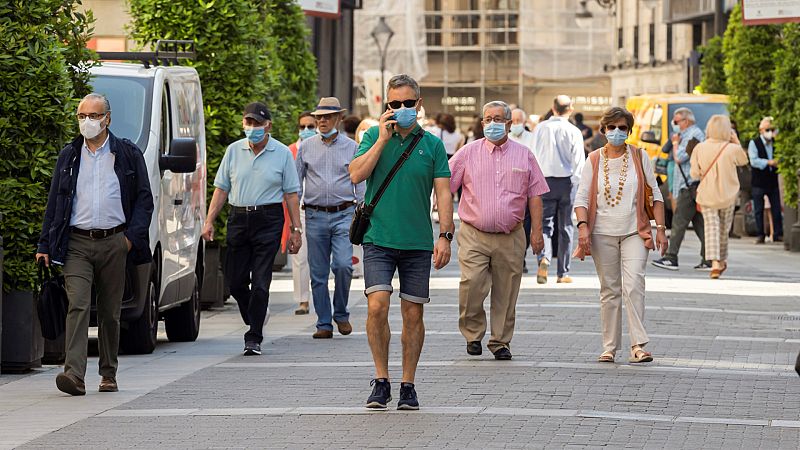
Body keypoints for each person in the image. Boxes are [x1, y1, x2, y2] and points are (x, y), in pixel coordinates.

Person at [36, 93, 154, 395]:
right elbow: (55, 203)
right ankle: (74, 374)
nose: (88, 121)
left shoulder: (126, 154)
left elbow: (144, 200)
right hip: (76, 242)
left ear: (108, 119)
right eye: (82, 116)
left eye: (94, 115)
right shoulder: (69, 156)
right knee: (77, 304)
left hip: (115, 241)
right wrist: (45, 244)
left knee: (110, 312)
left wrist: (129, 240)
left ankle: (108, 373)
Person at [349, 74, 454, 410]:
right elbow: (355, 174)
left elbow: (443, 193)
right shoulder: (371, 137)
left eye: (409, 103)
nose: (403, 109)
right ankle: (382, 379)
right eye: (396, 104)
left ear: (419, 104)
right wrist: (381, 139)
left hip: (417, 242)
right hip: (378, 238)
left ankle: (408, 383)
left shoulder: (433, 145)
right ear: (387, 106)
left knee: (412, 314)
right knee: (377, 306)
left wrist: (446, 236)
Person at [449, 101, 548, 360]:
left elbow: (536, 195)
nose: (493, 123)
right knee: (471, 284)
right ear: (482, 124)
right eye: (488, 119)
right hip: (474, 233)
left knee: (507, 290)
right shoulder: (467, 153)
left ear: (509, 123)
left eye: (498, 119)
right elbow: (444, 187)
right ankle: (472, 333)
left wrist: (537, 232)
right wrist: (444, 226)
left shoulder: (524, 155)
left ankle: (500, 341)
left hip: (511, 234)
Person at [202, 102, 302, 356]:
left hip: (268, 218)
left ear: (268, 125)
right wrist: (209, 220)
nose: (253, 128)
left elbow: (291, 194)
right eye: (249, 123)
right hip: (238, 217)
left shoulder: (281, 153)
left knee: (260, 281)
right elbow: (221, 188)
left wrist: (296, 230)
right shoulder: (233, 151)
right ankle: (255, 313)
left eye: (257, 123)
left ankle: (253, 336)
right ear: (243, 124)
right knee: (235, 282)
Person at [574, 106, 668, 364]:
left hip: (635, 232)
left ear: (629, 130)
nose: (617, 132)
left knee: (634, 284)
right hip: (602, 232)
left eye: (622, 128)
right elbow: (581, 198)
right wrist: (583, 226)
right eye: (612, 127)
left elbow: (655, 194)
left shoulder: (640, 156)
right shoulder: (593, 159)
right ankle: (609, 347)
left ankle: (638, 345)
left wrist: (660, 229)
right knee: (610, 289)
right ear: (603, 130)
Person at [297, 97, 364, 339]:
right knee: (318, 272)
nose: (322, 121)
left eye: (327, 117)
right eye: (318, 117)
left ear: (339, 119)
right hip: (314, 215)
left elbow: (360, 181)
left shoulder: (352, 148)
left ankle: (341, 313)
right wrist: (294, 220)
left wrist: (364, 210)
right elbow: (296, 184)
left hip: (344, 213)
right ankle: (323, 322)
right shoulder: (305, 147)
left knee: (344, 265)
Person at [529, 95, 585, 284]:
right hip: (567, 182)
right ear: (570, 110)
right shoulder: (573, 131)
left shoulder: (540, 128)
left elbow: (532, 154)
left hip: (544, 181)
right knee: (566, 226)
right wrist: (577, 183)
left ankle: (543, 257)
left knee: (545, 225)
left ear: (553, 109)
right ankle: (563, 272)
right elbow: (579, 160)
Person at [651, 107, 710, 271]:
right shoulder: (684, 135)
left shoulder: (695, 135)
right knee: (699, 224)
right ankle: (709, 258)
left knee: (679, 222)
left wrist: (676, 143)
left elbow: (680, 158)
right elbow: (666, 151)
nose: (674, 124)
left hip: (689, 185)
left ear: (687, 120)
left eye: (676, 121)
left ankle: (671, 257)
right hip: (685, 186)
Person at [692, 115, 749, 279]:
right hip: (728, 194)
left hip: (707, 194)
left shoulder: (699, 148)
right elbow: (744, 161)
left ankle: (715, 263)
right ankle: (721, 260)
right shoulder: (732, 149)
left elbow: (694, 174)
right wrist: (736, 141)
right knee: (724, 229)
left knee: (711, 227)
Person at [287, 112, 315, 315]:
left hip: (321, 208)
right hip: (301, 210)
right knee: (300, 258)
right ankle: (302, 300)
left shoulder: (319, 148)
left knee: (322, 259)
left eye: (310, 126)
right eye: (302, 126)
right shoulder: (290, 151)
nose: (306, 130)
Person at [748, 116, 783, 244]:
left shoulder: (775, 142)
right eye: (768, 129)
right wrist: (768, 162)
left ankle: (777, 233)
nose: (770, 132)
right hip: (759, 181)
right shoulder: (754, 143)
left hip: (772, 180)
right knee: (758, 209)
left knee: (776, 208)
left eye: (772, 129)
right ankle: (760, 234)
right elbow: (753, 161)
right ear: (761, 130)